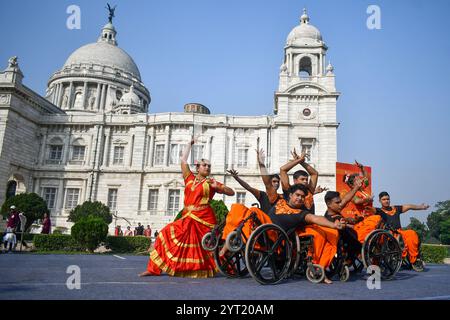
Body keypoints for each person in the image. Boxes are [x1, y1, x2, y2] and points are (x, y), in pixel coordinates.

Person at [140, 137, 235, 278]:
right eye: (204, 165)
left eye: (209, 166)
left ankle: (226, 268)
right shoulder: (189, 178)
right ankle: (153, 269)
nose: (207, 168)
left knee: (206, 248)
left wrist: (219, 188)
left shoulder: (211, 182)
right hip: (188, 217)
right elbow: (183, 161)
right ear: (197, 167)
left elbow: (231, 192)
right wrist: (189, 145)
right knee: (164, 234)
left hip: (204, 219)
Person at [268, 183, 344, 284]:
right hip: (267, 233)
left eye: (302, 196)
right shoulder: (279, 202)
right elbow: (279, 175)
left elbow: (314, 218)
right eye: (297, 195)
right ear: (290, 195)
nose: (300, 198)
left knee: (331, 232)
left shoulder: (300, 213)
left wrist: (333, 225)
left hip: (283, 239)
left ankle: (320, 267)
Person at [374, 191, 428, 269]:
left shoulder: (396, 208)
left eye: (388, 199)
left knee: (411, 233)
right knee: (384, 236)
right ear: (380, 201)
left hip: (399, 232)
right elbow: (370, 210)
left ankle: (414, 261)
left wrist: (421, 207)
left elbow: (409, 206)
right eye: (384, 199)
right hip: (387, 233)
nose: (386, 201)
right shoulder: (378, 211)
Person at [227, 148, 280, 214]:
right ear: (269, 182)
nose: (277, 183)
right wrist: (237, 178)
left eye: (278, 182)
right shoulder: (262, 195)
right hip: (265, 223)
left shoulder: (281, 197)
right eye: (274, 181)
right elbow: (248, 188)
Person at [280, 149, 319, 213]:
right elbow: (282, 170)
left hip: (310, 221)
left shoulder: (309, 190)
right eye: (302, 179)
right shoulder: (289, 189)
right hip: (294, 220)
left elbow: (314, 174)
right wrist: (298, 160)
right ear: (295, 180)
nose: (305, 181)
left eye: (306, 179)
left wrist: (302, 162)